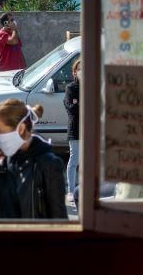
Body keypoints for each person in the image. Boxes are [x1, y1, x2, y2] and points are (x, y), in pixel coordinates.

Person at [0, 99, 67, 219]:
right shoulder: (1, 158)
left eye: (0, 131)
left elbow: (58, 215)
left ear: (21, 129)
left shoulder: (48, 164)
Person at [64, 58, 81, 201]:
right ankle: (71, 190)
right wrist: (78, 104)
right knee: (74, 160)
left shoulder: (92, 85)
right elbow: (71, 109)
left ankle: (83, 188)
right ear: (74, 72)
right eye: (79, 69)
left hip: (89, 129)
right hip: (75, 129)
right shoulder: (71, 88)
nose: (82, 72)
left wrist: (78, 103)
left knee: (87, 161)